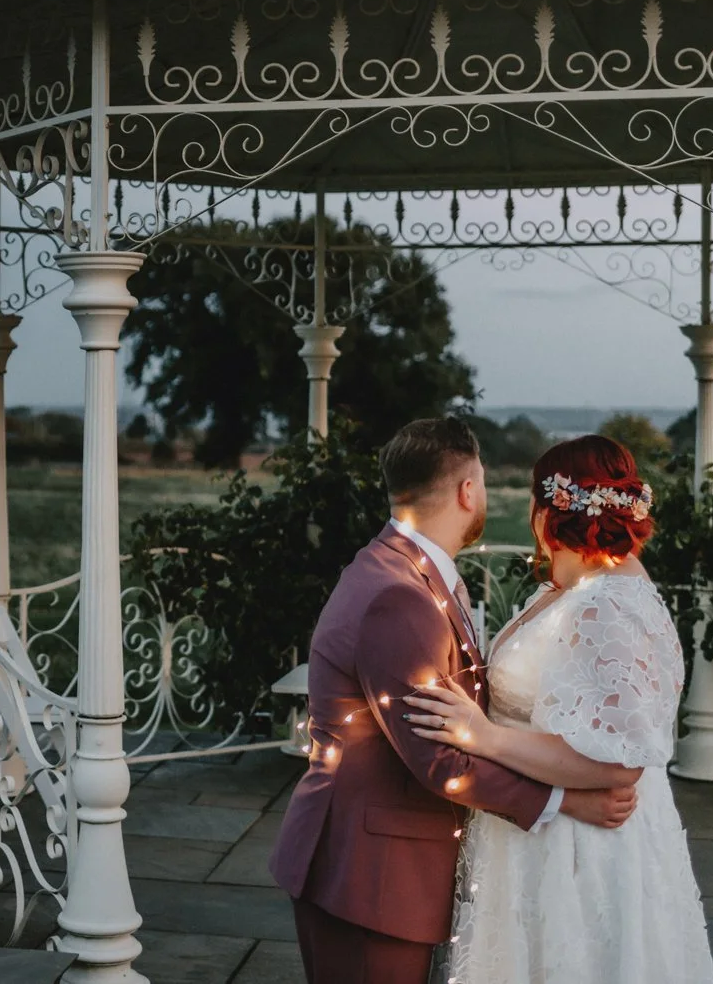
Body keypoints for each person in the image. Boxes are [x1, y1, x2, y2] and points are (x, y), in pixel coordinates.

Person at [268, 418, 641, 983]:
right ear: (468, 490)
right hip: (370, 877)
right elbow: (441, 761)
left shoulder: (402, 569)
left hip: (373, 865)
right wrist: (565, 800)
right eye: (483, 481)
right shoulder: (400, 594)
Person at [405, 433, 713, 982]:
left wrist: (483, 737)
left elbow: (620, 763)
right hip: (536, 833)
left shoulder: (607, 608)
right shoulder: (571, 591)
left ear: (546, 511)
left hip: (578, 857)